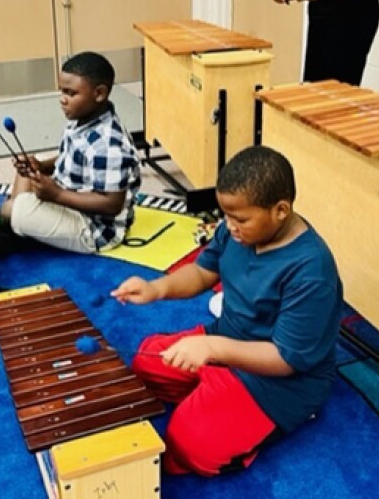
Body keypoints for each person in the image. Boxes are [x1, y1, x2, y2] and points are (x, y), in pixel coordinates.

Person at [111, 145, 343, 476]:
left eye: (240, 219)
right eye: (225, 216)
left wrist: (212, 348)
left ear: (280, 210)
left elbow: (286, 360)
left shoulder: (312, 271)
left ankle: (256, 420)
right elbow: (204, 272)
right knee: (146, 362)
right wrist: (155, 289)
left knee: (188, 446)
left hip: (281, 382)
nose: (229, 227)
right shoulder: (236, 230)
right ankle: (213, 392)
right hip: (226, 341)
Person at [0, 51, 141, 254]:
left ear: (99, 93)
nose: (63, 100)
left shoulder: (110, 144)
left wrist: (57, 195)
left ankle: (14, 221)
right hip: (71, 201)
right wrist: (42, 166)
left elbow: (111, 204)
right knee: (27, 170)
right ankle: (16, 223)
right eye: (61, 92)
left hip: (92, 228)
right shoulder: (82, 120)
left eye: (71, 93)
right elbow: (73, 158)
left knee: (10, 209)